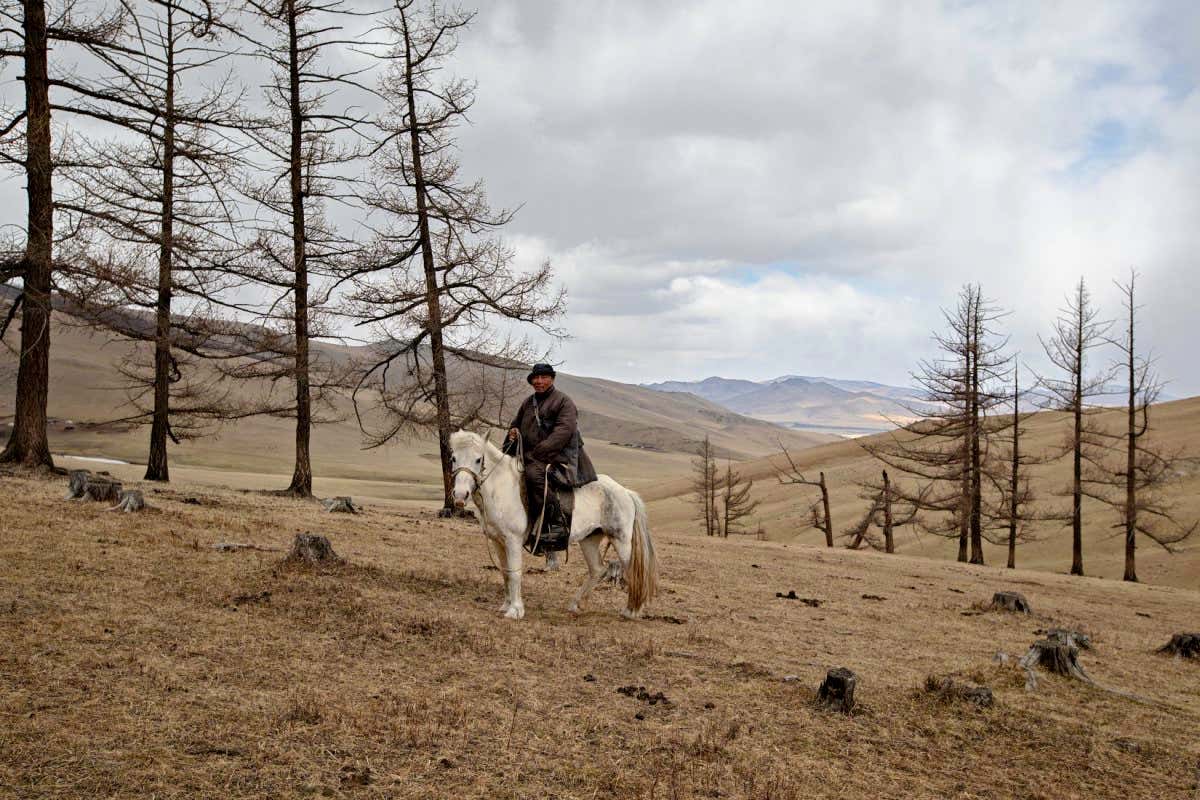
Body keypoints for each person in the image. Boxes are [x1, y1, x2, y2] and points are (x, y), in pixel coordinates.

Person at [505, 363, 597, 552]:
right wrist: (513, 432)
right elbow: (516, 424)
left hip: (558, 458)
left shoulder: (564, 402)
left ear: (552, 379)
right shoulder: (528, 403)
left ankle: (556, 523)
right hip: (531, 456)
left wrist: (538, 452)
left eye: (544, 377)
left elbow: (564, 431)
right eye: (536, 378)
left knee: (533, 475)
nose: (539, 381)